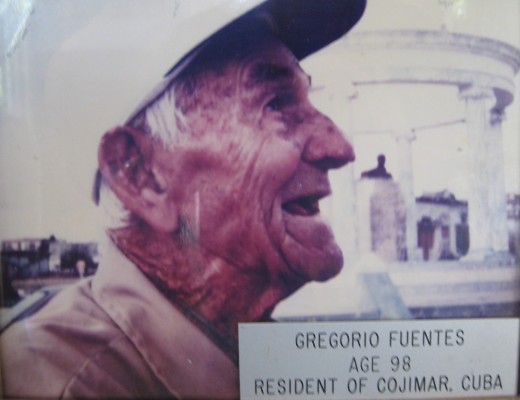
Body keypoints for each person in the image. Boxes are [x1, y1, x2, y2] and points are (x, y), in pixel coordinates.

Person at [1, 0, 365, 398]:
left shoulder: (251, 349)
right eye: (275, 104)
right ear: (141, 176)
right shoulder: (60, 385)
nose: (340, 147)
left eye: (307, 100)